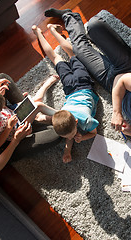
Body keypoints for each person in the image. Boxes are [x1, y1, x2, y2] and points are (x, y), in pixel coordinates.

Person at [44, 9, 131, 154]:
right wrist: (117, 112)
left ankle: (69, 16)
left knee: (79, 50)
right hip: (129, 69)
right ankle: (85, 27)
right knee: (94, 25)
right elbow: (121, 80)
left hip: (111, 83)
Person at [32, 24, 99, 163]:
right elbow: (69, 135)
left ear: (76, 122)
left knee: (68, 56)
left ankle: (45, 32)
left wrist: (83, 137)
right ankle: (46, 31)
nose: (71, 137)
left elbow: (94, 133)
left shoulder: (87, 121)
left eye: (73, 134)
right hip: (71, 88)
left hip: (84, 85)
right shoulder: (60, 114)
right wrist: (68, 148)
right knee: (62, 57)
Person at [0, 75, 59, 148]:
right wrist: (9, 126)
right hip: (14, 127)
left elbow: (3, 107)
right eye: (1, 108)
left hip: (12, 114)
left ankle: (43, 117)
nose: (3, 107)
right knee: (38, 105)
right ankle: (61, 115)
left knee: (34, 103)